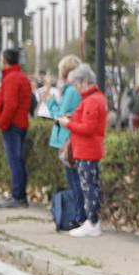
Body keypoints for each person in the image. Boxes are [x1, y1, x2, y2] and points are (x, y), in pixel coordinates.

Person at [55, 64, 108, 237]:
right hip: (88, 149)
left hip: (87, 150)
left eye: (77, 84)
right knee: (90, 186)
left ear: (85, 82)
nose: (76, 88)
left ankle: (92, 222)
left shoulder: (92, 101)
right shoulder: (95, 99)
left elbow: (88, 128)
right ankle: (92, 221)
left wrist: (68, 123)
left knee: (89, 186)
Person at [0, 48, 33, 209]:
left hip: (12, 126)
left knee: (14, 160)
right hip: (21, 123)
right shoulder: (22, 77)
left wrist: (2, 123)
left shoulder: (11, 78)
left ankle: (18, 196)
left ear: (5, 60)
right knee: (19, 160)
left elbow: (10, 105)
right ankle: (20, 195)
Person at [47, 56, 85, 227]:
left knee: (74, 180)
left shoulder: (71, 92)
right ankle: (79, 215)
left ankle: (79, 217)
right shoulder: (74, 90)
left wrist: (49, 100)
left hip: (68, 141)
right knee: (75, 179)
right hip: (71, 139)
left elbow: (60, 115)